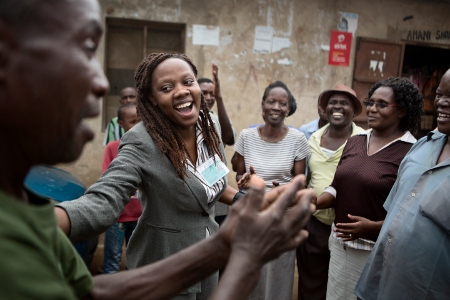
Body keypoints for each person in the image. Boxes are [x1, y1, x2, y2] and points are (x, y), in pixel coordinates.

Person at [0, 0, 316, 299]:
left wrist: (249, 202)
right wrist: (47, 224)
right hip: (162, 261)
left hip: (208, 259)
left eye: (188, 81)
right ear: (152, 99)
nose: (182, 92)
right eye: (166, 88)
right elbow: (104, 202)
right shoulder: (141, 140)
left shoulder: (210, 129)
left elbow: (211, 185)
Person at [314, 78, 423, 300]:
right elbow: (336, 187)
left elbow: (412, 213)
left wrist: (374, 228)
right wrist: (313, 202)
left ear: (401, 111)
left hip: (375, 253)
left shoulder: (412, 152)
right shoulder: (355, 140)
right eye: (370, 102)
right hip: (339, 246)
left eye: (381, 105)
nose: (372, 109)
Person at [354, 70, 450, 299]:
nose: (442, 103)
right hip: (377, 284)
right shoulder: (423, 147)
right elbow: (398, 214)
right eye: (439, 94)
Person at [233, 80, 310, 300]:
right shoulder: (246, 137)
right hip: (252, 212)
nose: (276, 107)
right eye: (271, 101)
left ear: (288, 109)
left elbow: (300, 181)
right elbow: (239, 175)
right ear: (263, 105)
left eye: (282, 103)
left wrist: (283, 190)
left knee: (279, 273)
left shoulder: (298, 139)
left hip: (282, 213)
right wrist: (245, 180)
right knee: (251, 269)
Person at [296, 84, 365, 300]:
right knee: (310, 283)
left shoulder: (364, 141)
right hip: (314, 223)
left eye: (344, 103)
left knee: (341, 287)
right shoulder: (311, 139)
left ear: (354, 111)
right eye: (332, 103)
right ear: (324, 110)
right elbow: (304, 178)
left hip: (347, 226)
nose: (337, 107)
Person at [102, 103, 141, 274]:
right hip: (117, 216)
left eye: (140, 121)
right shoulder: (112, 147)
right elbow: (106, 177)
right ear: (120, 123)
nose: (137, 125)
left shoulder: (148, 147)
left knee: (136, 264)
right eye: (132, 121)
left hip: (141, 217)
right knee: (112, 263)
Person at [198, 63, 235, 226]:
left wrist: (219, 97)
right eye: (204, 93)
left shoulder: (216, 119)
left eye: (212, 93)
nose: (209, 97)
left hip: (219, 198)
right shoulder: (185, 120)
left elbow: (229, 139)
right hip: (197, 194)